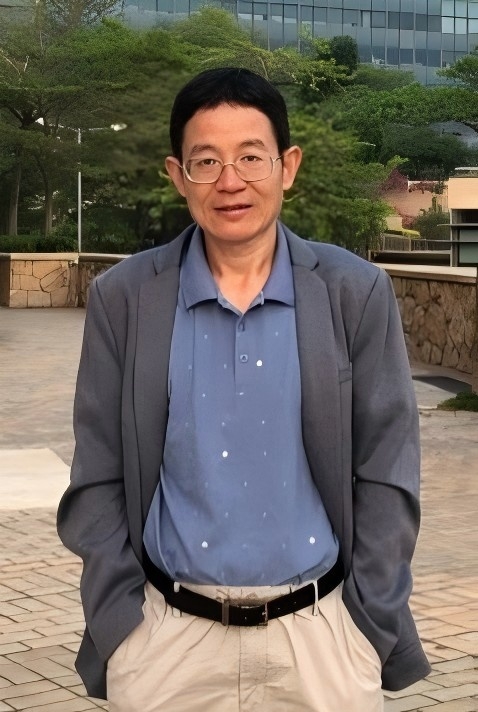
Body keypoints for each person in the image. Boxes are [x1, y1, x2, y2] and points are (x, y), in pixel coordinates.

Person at [57, 67, 430, 711]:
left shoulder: (353, 292)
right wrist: (121, 628)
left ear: (288, 167)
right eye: (206, 161)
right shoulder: (125, 299)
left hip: (322, 642)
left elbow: (388, 468)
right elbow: (98, 475)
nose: (230, 181)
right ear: (178, 176)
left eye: (251, 157)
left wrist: (364, 627)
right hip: (166, 645)